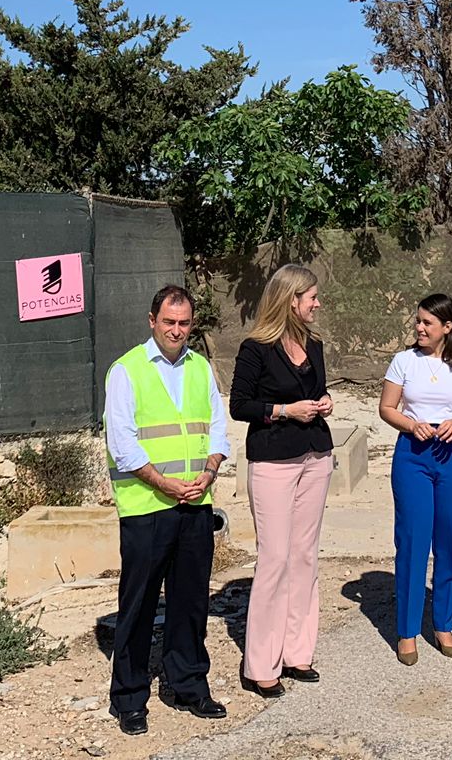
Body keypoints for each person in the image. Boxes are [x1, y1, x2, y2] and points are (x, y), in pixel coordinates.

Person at [104, 285, 230, 736]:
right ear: (151, 320)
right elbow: (123, 444)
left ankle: (189, 684)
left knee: (191, 601)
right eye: (169, 322)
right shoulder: (126, 371)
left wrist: (210, 471)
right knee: (137, 606)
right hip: (146, 507)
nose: (177, 330)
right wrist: (163, 483)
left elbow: (217, 428)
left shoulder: (200, 368)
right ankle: (130, 698)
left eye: (184, 323)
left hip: (196, 502)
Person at [228, 264, 334, 697]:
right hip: (273, 460)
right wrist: (284, 411)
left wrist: (323, 401)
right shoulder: (255, 348)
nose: (317, 303)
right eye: (311, 296)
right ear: (291, 299)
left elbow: (317, 390)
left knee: (305, 555)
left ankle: (297, 652)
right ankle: (260, 664)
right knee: (274, 558)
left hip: (316, 456)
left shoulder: (315, 344)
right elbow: (240, 405)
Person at [379, 293, 452, 664]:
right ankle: (408, 631)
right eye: (418, 321)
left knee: (449, 541)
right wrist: (412, 424)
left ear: (448, 327)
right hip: (413, 455)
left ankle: (444, 623)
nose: (419, 328)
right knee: (412, 541)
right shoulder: (403, 361)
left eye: (428, 322)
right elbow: (387, 408)